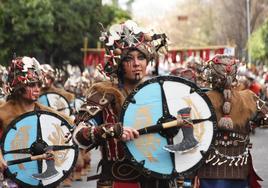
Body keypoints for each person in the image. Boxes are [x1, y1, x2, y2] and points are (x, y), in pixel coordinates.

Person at [72, 20, 175, 188]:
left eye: (141, 57)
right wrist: (110, 130)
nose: (136, 63)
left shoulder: (160, 93)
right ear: (118, 63)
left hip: (159, 178)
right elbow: (78, 135)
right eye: (129, 58)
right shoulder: (103, 95)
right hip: (118, 180)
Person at [196, 54, 264, 188]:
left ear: (211, 75)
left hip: (209, 172)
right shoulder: (249, 98)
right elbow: (263, 119)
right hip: (239, 170)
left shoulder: (201, 100)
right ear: (234, 75)